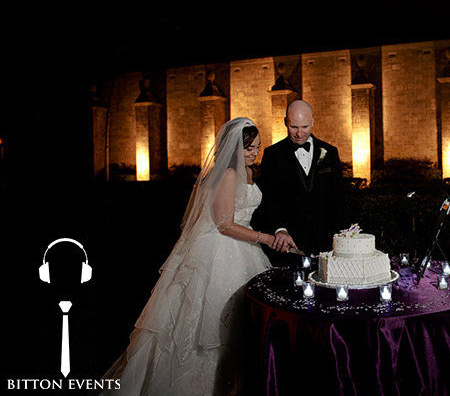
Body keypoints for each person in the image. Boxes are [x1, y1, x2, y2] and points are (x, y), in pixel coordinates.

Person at [100, 117, 294, 395]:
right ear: (232, 148)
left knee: (240, 327)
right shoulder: (226, 173)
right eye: (248, 148)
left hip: (244, 247)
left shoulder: (248, 172)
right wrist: (266, 238)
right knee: (209, 326)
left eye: (257, 147)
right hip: (220, 251)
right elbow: (224, 225)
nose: (254, 153)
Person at [255, 100, 346, 266]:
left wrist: (341, 237)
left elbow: (338, 198)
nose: (299, 133)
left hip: (326, 242)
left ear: (312, 122)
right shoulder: (272, 154)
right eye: (294, 127)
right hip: (290, 244)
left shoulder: (330, 152)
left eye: (304, 127)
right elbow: (268, 198)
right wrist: (279, 229)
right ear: (285, 123)